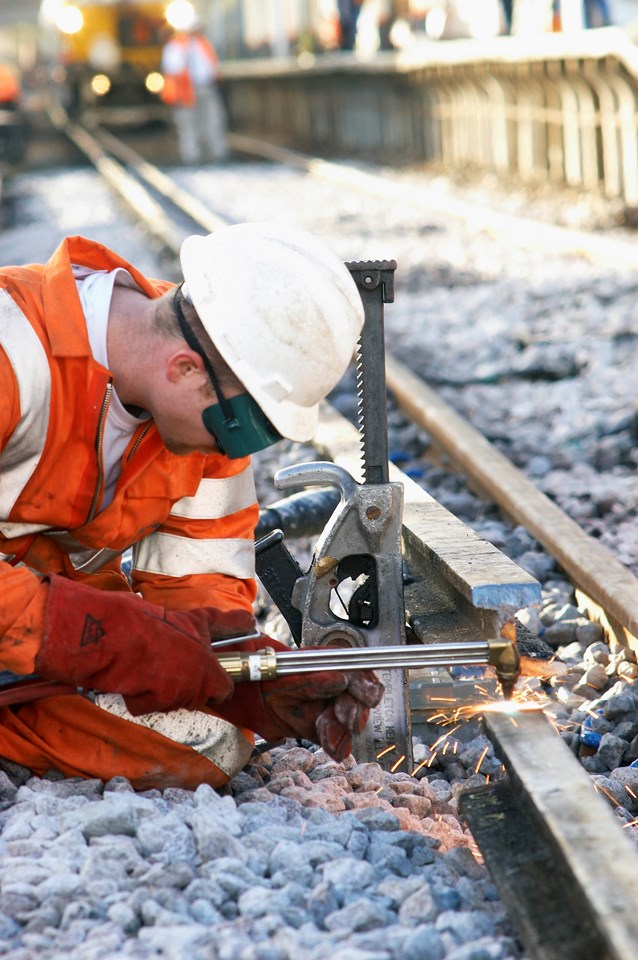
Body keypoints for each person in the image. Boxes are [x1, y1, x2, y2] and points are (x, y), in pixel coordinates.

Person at [0, 222, 385, 791]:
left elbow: (201, 590)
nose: (238, 451)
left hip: (34, 649)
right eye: (244, 428)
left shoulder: (199, 413)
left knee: (208, 746)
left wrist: (240, 676)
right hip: (35, 633)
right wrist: (104, 635)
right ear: (184, 369)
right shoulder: (14, 351)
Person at [160, 15, 229, 165]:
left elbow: (211, 67)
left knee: (212, 121)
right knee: (188, 125)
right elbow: (173, 69)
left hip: (206, 88)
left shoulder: (202, 44)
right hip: (185, 93)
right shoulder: (175, 47)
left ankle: (216, 154)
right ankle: (192, 157)